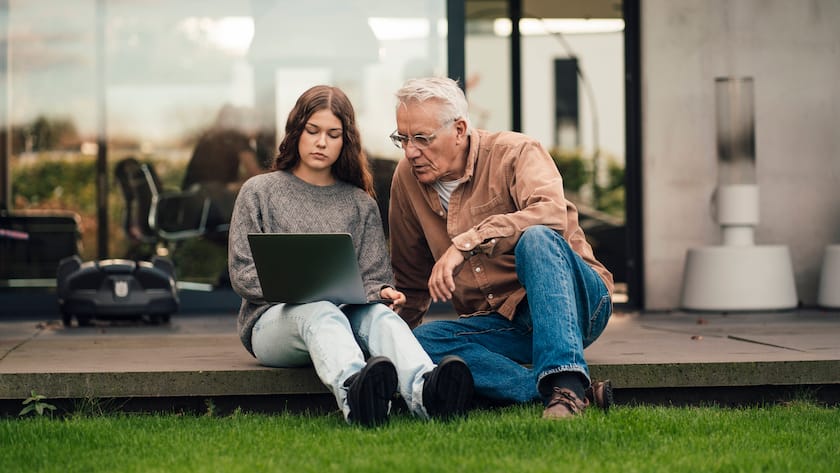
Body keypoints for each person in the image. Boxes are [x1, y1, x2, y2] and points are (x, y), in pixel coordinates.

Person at [228, 85, 474, 427]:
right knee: (320, 310)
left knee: (381, 316)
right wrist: (304, 290)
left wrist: (382, 292)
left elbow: (373, 278)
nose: (321, 142)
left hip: (343, 320)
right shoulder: (259, 192)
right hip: (271, 325)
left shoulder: (360, 203)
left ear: (346, 141)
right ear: (296, 131)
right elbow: (243, 274)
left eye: (333, 134)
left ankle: (427, 392)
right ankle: (356, 394)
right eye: (312, 131)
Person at [387, 77, 614, 419]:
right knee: (420, 341)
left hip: (579, 306)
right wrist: (390, 337)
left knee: (536, 238)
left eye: (422, 138)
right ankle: (545, 393)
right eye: (402, 139)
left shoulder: (516, 152)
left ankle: (566, 384)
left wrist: (466, 244)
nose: (410, 151)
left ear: (459, 130)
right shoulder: (406, 178)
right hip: (502, 322)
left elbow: (551, 215)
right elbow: (411, 280)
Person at [182, 104, 266, 232]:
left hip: (189, 203)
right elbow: (257, 175)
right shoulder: (236, 137)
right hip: (209, 203)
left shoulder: (209, 136)